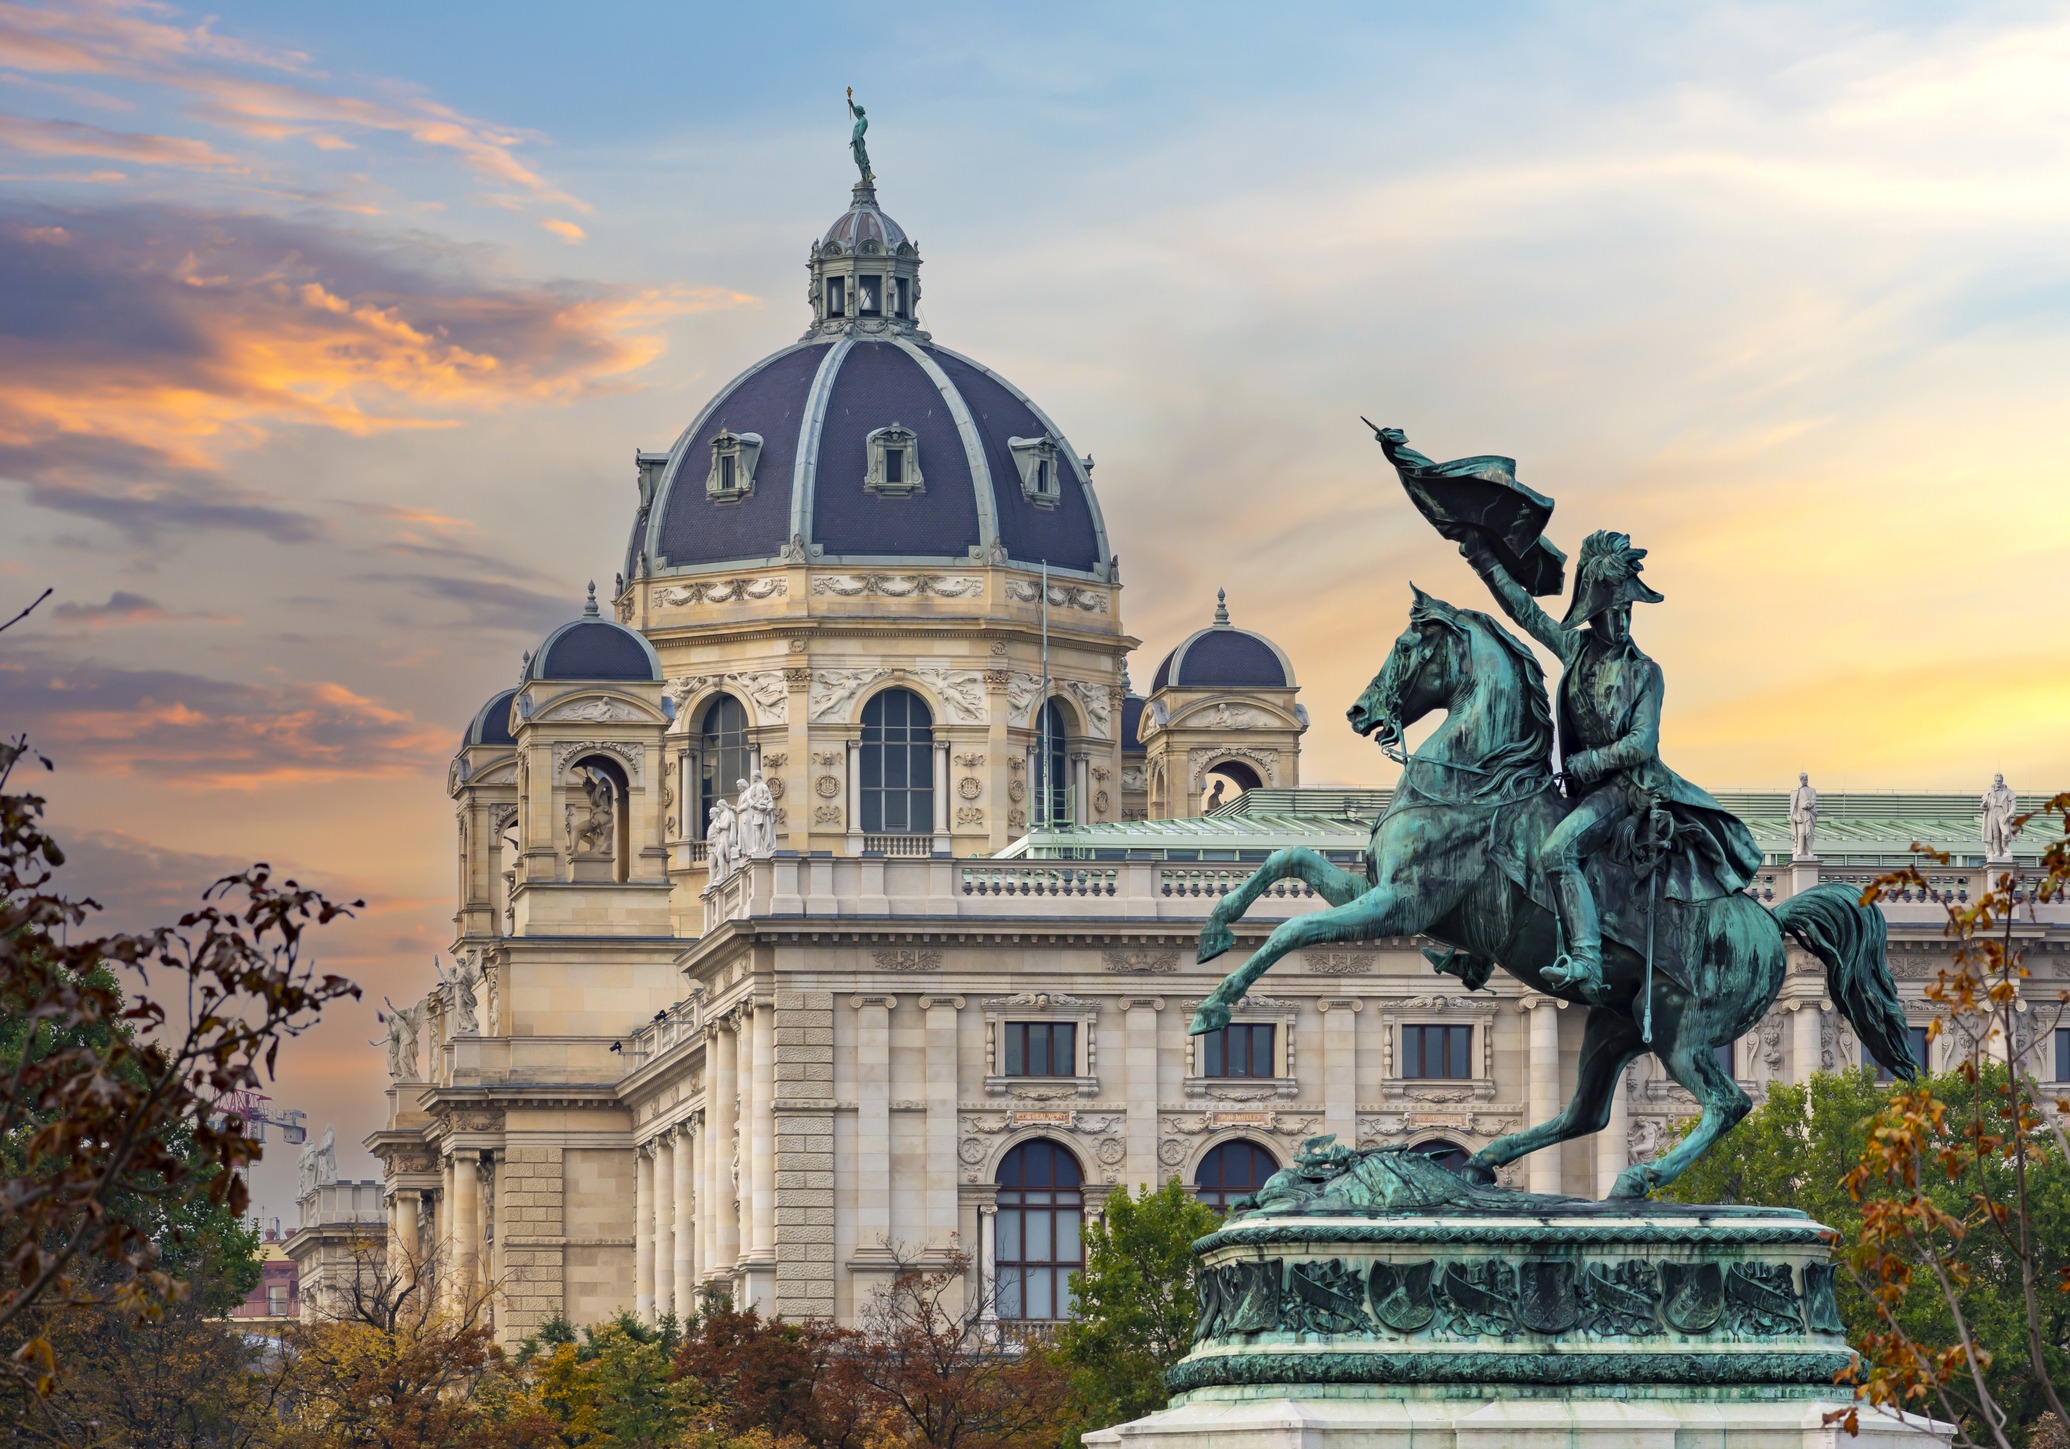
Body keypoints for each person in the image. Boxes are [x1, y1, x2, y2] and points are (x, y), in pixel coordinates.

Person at [1459, 530, 1761, 1004]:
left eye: (1627, 611)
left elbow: (1642, 743)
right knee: (1504, 828)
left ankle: (1586, 957)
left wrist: (1588, 761)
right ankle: (1478, 943)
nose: (1621, 620)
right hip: (1582, 789)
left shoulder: (1645, 672)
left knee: (1557, 852)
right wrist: (1482, 558)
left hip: (1629, 789)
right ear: (1592, 612)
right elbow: (1525, 612)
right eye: (1612, 611)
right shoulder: (1574, 648)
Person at [1789, 772, 1818, 860]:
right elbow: (1793, 806)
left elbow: (1813, 801)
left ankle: (1809, 850)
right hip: (1800, 815)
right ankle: (1800, 850)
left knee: (1808, 833)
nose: (1806, 781)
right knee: (1801, 833)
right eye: (1804, 779)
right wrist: (1795, 817)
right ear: (1800, 780)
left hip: (1809, 813)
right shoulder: (1795, 791)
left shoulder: (1812, 790)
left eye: (1807, 779)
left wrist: (1809, 804)